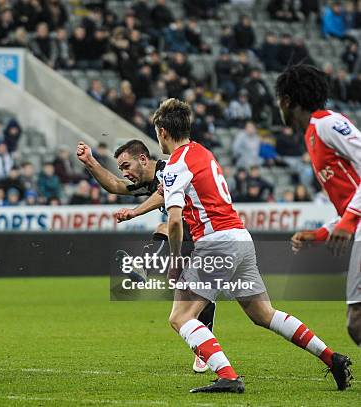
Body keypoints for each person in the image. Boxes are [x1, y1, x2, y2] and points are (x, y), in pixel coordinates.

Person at [150, 98, 351, 393]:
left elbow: (176, 221)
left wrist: (175, 261)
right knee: (263, 314)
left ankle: (229, 377)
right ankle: (331, 357)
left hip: (216, 243)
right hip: (241, 239)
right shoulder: (204, 153)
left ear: (163, 132)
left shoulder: (175, 165)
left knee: (180, 317)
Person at [76, 139, 216, 374]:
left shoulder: (167, 170)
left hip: (210, 232)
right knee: (192, 295)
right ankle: (205, 345)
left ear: (143, 159)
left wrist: (134, 212)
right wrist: (90, 162)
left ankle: (142, 267)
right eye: (121, 167)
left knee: (165, 230)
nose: (124, 172)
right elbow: (115, 186)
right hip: (194, 234)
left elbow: (164, 197)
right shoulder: (150, 182)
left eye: (126, 166)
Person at [275, 64, 361, 346]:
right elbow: (350, 201)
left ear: (287, 100)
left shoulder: (327, 123)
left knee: (357, 321)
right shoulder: (311, 134)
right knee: (356, 322)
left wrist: (349, 221)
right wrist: (321, 234)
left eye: (279, 101)